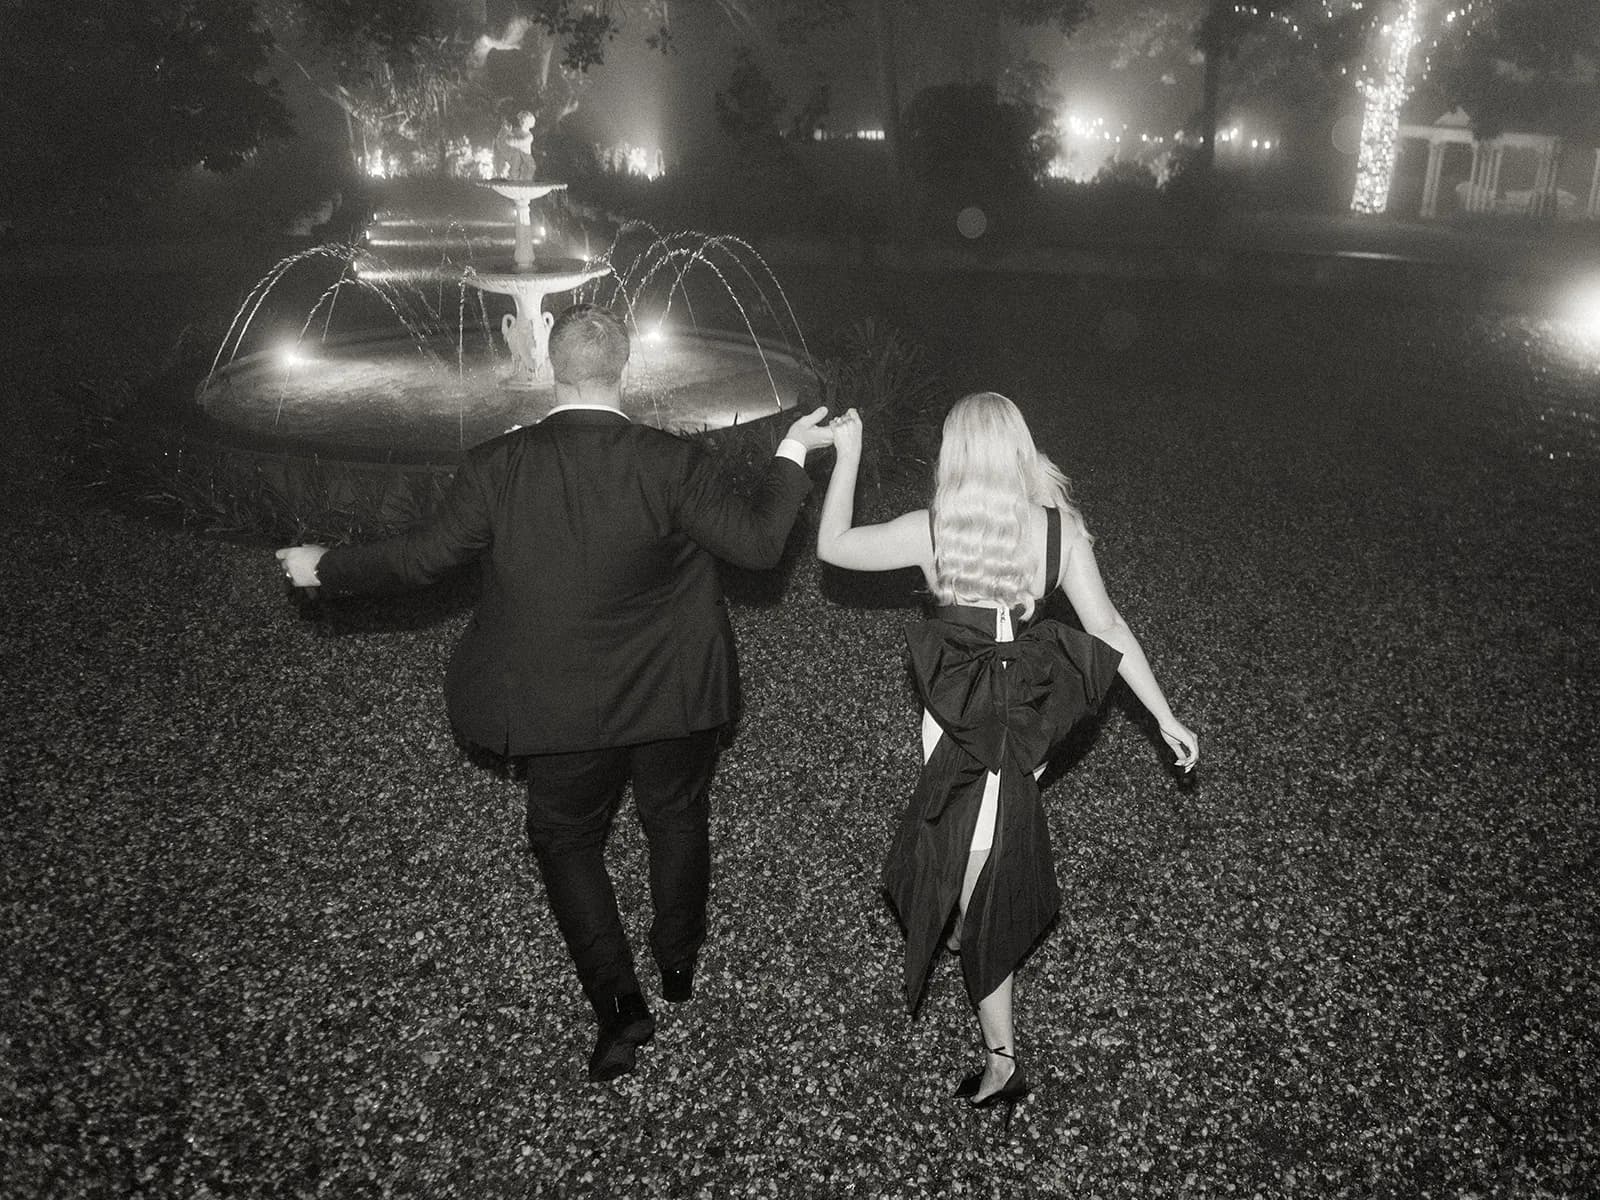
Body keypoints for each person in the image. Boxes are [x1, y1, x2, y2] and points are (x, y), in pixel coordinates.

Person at [277, 304, 834, 1082]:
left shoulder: (498, 466)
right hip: (672, 692)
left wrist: (324, 566)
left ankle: (618, 1009)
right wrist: (791, 452)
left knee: (567, 841)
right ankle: (678, 965)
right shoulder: (670, 462)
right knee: (674, 816)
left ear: (547, 359)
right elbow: (760, 543)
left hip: (559, 704)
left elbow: (418, 561)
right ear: (626, 363)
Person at [815, 392, 1198, 1115]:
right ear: (1019, 450)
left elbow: (832, 545)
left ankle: (1003, 1061)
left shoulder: (931, 532)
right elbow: (1109, 627)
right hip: (1025, 723)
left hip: (963, 729)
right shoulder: (1056, 533)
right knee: (974, 849)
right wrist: (1164, 714)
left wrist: (850, 458)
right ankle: (966, 911)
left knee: (980, 883)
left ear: (955, 456)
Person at [494, 110, 538, 181]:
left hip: (525, 158)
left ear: (530, 124)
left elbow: (518, 143)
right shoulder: (515, 131)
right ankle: (513, 179)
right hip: (515, 156)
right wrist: (505, 130)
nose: (523, 122)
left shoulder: (529, 136)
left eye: (525, 121)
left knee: (525, 172)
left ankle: (522, 182)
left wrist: (509, 140)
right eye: (522, 120)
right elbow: (505, 136)